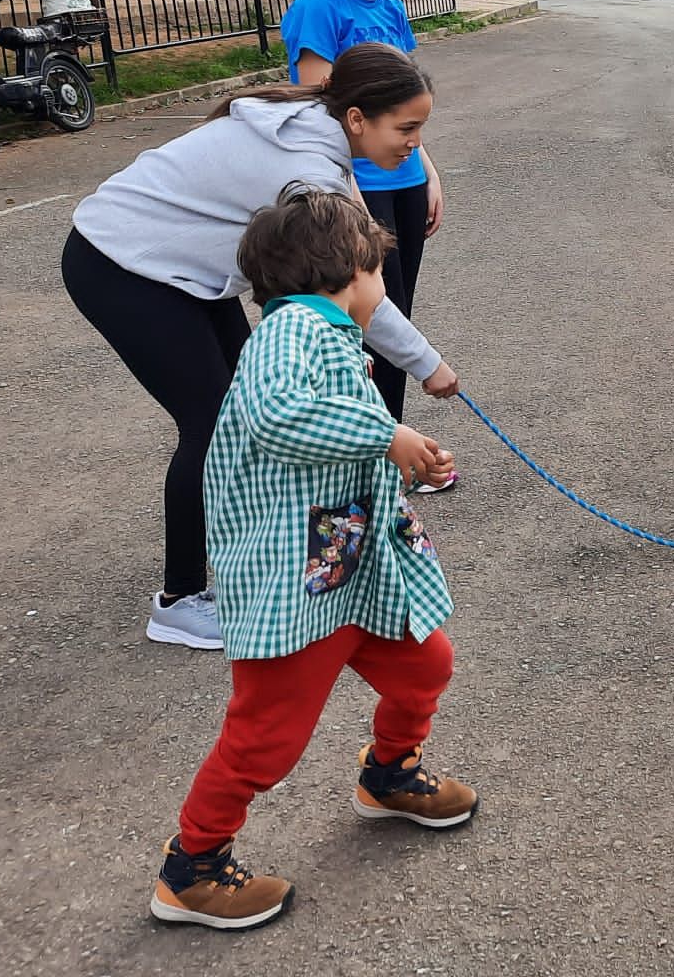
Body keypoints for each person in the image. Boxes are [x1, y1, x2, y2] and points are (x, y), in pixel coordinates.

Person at [148, 187, 474, 932]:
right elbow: (280, 416)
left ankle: (389, 773)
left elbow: (328, 455)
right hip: (293, 589)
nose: (382, 284)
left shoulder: (324, 334)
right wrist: (388, 436)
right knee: (266, 735)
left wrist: (408, 462)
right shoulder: (292, 331)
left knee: (426, 664)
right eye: (379, 268)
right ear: (353, 267)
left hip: (348, 572)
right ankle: (192, 866)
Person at [63, 43, 460, 652]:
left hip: (182, 268)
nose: (414, 142)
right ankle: (180, 600)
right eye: (406, 128)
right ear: (358, 119)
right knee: (215, 424)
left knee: (239, 415)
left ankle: (247, 564)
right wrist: (428, 365)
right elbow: (353, 288)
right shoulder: (307, 171)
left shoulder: (322, 132)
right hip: (121, 263)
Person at [280, 0, 454, 491]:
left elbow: (405, 105)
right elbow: (321, 113)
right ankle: (378, 454)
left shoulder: (390, 5)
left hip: (403, 180)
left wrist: (428, 171)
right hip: (355, 187)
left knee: (394, 311)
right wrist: (350, 202)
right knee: (363, 315)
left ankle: (394, 450)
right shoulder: (318, 5)